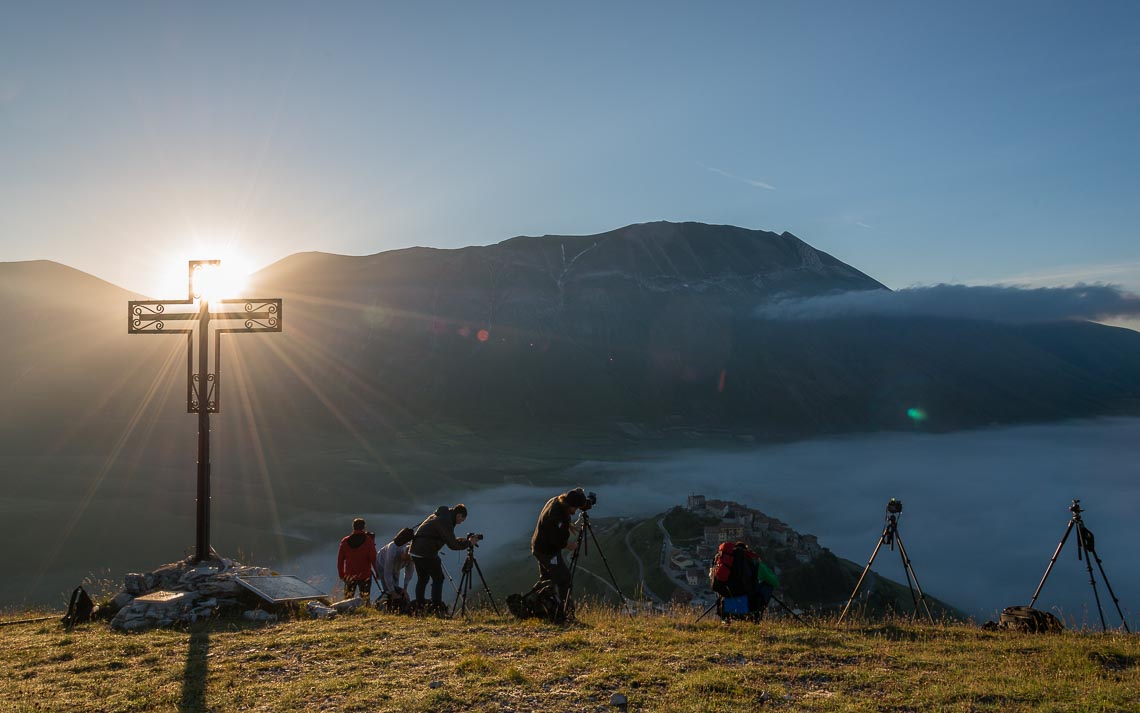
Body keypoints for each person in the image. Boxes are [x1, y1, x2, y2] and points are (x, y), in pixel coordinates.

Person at [410, 504, 477, 613]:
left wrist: (458, 540)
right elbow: (453, 545)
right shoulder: (446, 521)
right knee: (438, 578)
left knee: (423, 579)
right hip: (426, 552)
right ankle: (436, 607)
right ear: (459, 515)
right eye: (462, 519)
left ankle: (420, 606)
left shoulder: (441, 516)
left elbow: (445, 537)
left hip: (415, 551)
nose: (461, 522)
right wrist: (469, 543)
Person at [530, 488, 589, 607]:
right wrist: (569, 545)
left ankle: (543, 609)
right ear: (571, 505)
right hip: (547, 551)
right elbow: (555, 539)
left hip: (539, 547)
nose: (576, 511)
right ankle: (566, 612)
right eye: (576, 508)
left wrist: (568, 525)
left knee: (547, 580)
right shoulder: (557, 515)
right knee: (564, 579)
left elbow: (555, 528)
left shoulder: (556, 501)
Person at [337, 518, 380, 604]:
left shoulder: (345, 541)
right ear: (364, 527)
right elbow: (374, 559)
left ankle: (347, 614)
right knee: (365, 599)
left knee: (347, 599)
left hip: (350, 575)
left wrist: (342, 575)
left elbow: (340, 560)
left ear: (353, 527)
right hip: (365, 575)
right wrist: (377, 573)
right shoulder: (368, 541)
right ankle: (365, 613)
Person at [375, 535, 415, 613]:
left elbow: (409, 572)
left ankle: (395, 607)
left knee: (395, 587)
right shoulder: (392, 551)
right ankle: (379, 604)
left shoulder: (411, 555)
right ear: (402, 553)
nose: (406, 560)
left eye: (408, 559)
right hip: (382, 563)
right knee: (389, 589)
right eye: (405, 558)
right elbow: (387, 573)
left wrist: (405, 588)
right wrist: (393, 592)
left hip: (396, 566)